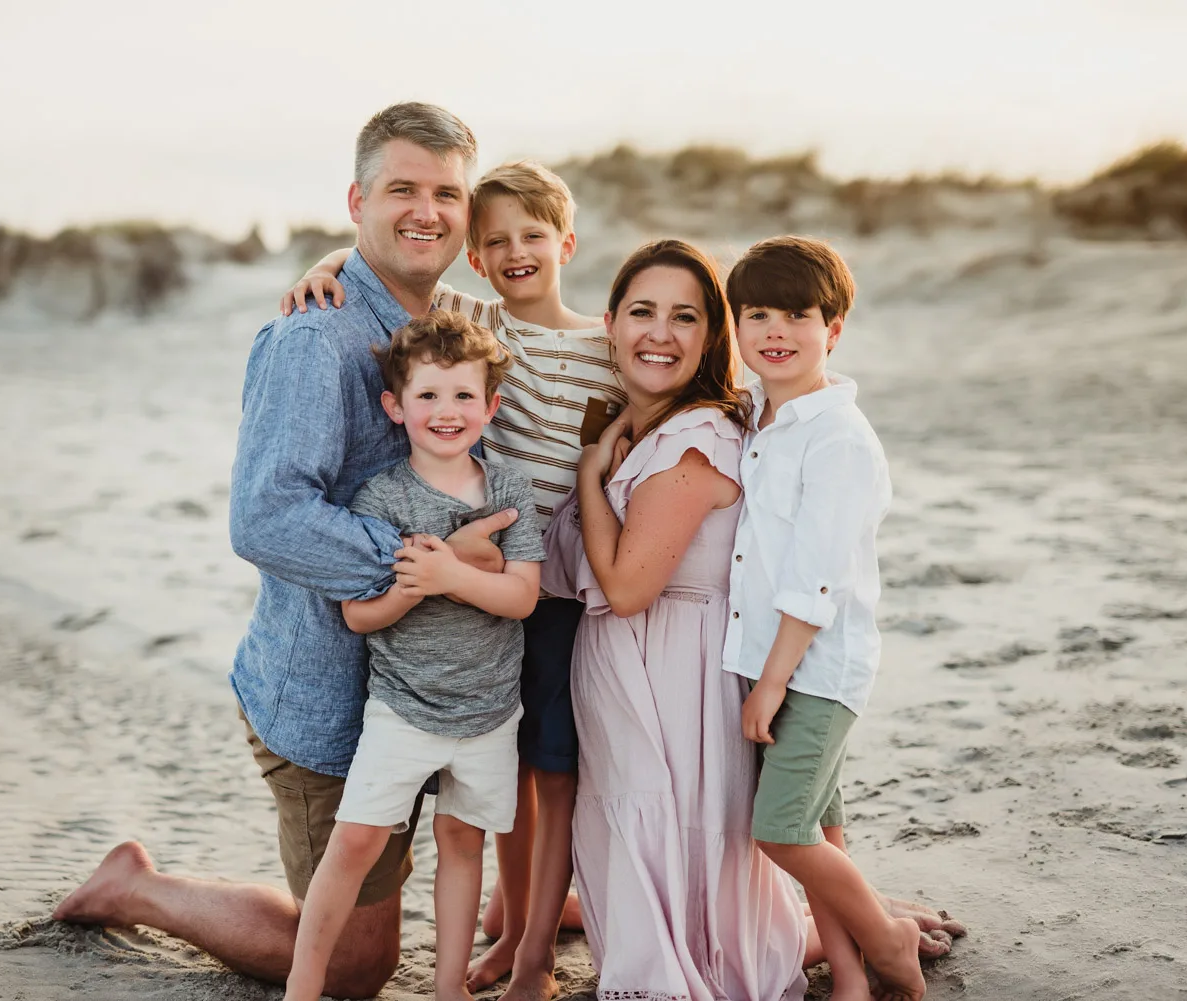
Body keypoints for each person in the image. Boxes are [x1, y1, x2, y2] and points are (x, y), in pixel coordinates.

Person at [52, 102, 522, 998]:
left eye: (446, 194)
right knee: (351, 965)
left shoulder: (445, 322)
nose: (426, 211)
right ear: (356, 198)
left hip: (432, 685)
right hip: (329, 701)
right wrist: (438, 563)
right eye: (401, 190)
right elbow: (265, 517)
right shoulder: (318, 337)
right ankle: (137, 887)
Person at [281, 159, 622, 1001]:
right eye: (495, 240)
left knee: (541, 770)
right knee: (501, 779)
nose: (513, 252)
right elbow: (385, 263)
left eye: (532, 238)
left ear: (566, 243)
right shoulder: (467, 317)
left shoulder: (605, 343)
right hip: (475, 600)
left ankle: (530, 941)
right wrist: (324, 264)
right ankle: (508, 933)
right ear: (474, 256)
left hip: (558, 583)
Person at [549, 239, 810, 1001]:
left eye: (684, 317)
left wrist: (592, 477)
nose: (659, 333)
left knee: (671, 844)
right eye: (642, 312)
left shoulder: (693, 440)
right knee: (645, 842)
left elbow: (628, 585)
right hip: (633, 671)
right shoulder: (637, 426)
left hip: (671, 671)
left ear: (710, 338)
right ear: (609, 323)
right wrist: (330, 267)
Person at [285, 310, 545, 1001]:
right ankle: (302, 987)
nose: (447, 411)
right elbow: (359, 612)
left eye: (464, 395)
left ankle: (447, 987)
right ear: (395, 407)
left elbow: (522, 597)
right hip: (402, 710)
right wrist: (414, 588)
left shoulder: (509, 490)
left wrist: (450, 576)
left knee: (463, 843)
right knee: (356, 842)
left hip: (490, 712)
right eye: (428, 395)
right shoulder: (382, 496)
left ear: (491, 406)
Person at [724, 237, 922, 1000]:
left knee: (779, 829)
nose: (776, 330)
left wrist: (770, 684)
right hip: (770, 660)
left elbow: (815, 581)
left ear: (832, 328)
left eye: (798, 315)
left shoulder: (838, 437)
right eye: (758, 314)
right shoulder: (756, 416)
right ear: (736, 328)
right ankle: (847, 975)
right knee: (824, 827)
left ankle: (887, 936)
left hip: (813, 669)